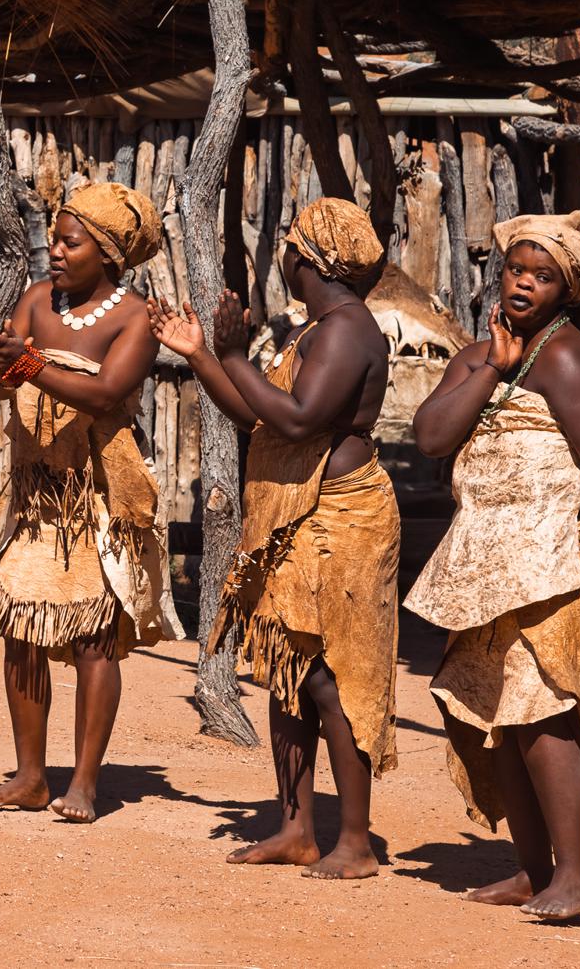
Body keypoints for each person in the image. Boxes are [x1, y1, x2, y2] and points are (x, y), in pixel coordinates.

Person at [405, 211, 580, 919]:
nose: (524, 284)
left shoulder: (568, 357)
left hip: (554, 562)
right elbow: (430, 436)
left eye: (543, 277)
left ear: (565, 291)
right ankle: (532, 869)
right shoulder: (479, 356)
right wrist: (492, 367)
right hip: (486, 566)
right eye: (517, 269)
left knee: (542, 711)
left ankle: (575, 875)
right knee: (502, 717)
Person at [151, 197, 398, 877]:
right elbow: (260, 415)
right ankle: (296, 829)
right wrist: (203, 356)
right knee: (289, 670)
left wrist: (234, 352)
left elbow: (295, 419)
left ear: (308, 259)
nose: (283, 255)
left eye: (290, 244)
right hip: (297, 516)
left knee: (331, 677)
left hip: (339, 518)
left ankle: (355, 842)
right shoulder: (316, 329)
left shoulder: (346, 331)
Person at [0, 182, 183, 823]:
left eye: (71, 242)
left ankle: (84, 783)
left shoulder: (134, 317)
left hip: (97, 500)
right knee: (21, 631)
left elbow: (106, 393)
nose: (55, 251)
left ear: (109, 253)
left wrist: (29, 364)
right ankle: (31, 777)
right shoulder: (37, 300)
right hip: (37, 499)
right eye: (55, 240)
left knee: (94, 641)